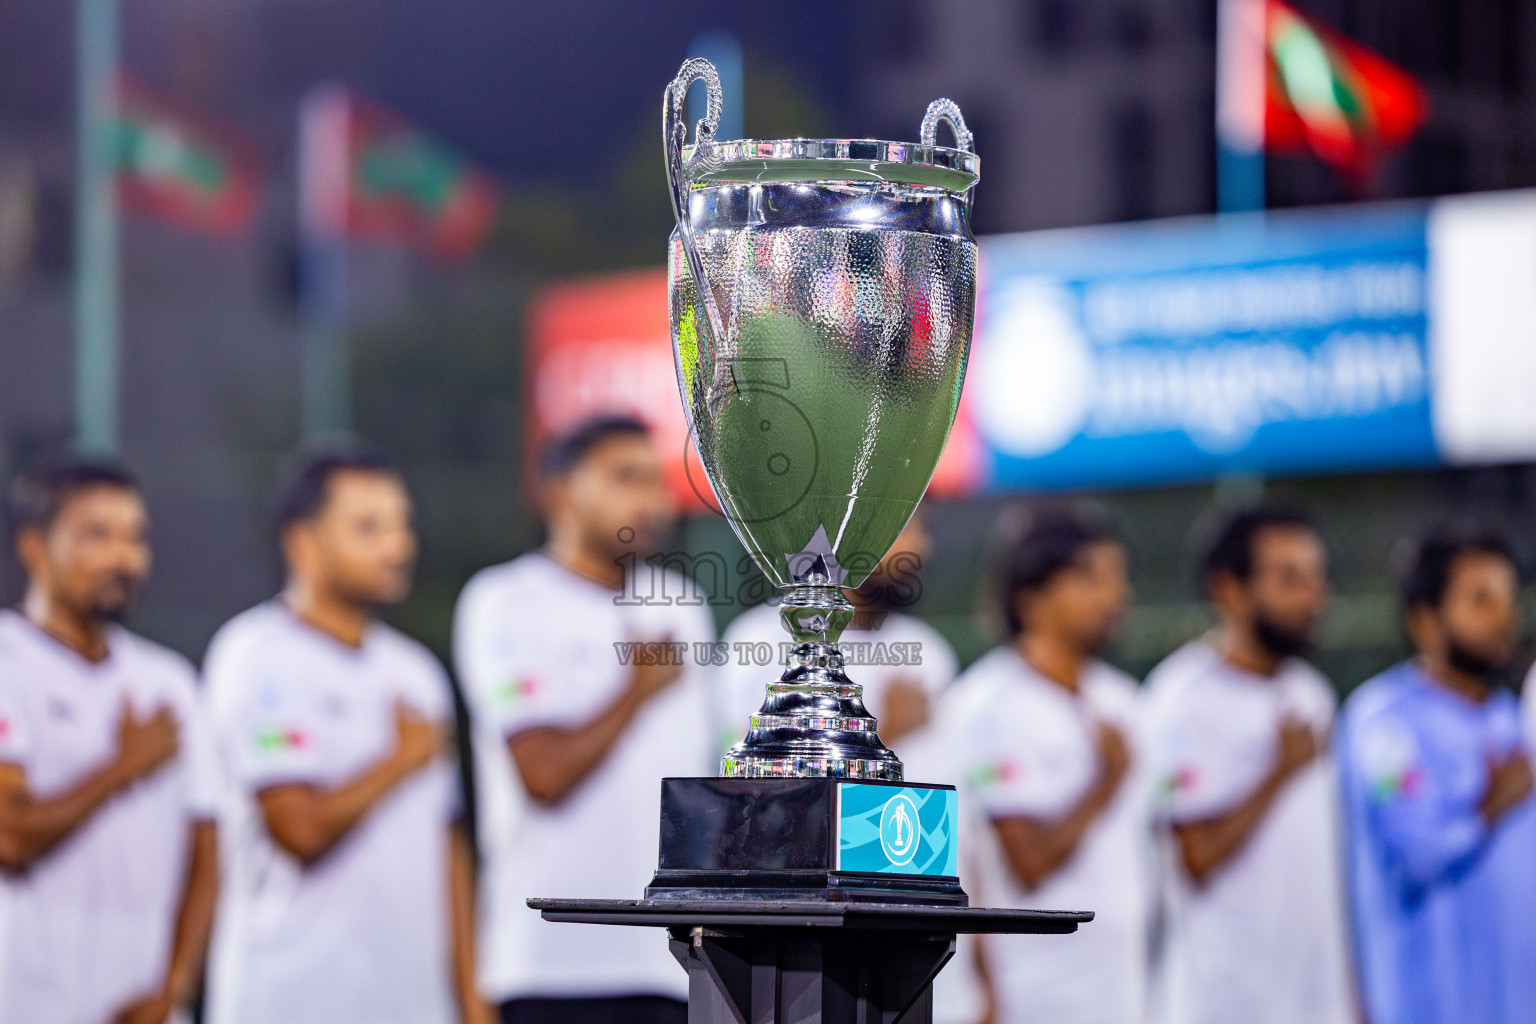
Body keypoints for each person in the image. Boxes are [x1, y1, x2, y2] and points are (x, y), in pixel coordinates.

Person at [203, 446, 487, 1024]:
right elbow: (300, 830)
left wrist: (471, 999)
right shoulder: (255, 654)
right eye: (368, 527)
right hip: (288, 998)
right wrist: (400, 757)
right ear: (302, 543)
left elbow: (447, 849)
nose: (397, 546)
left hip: (413, 1005)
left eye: (402, 525)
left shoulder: (416, 673)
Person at [454, 415, 714, 1024]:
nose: (651, 500)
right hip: (552, 967)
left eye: (655, 480)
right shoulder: (505, 601)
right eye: (625, 478)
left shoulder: (683, 605)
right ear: (561, 491)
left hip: (677, 960)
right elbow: (542, 774)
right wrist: (635, 690)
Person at [716, 507, 981, 1024]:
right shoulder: (759, 640)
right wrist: (887, 731)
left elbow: (959, 832)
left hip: (927, 932)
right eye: (908, 524)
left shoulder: (929, 653)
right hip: (805, 945)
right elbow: (752, 799)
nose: (921, 550)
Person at [0, 458, 219, 1024]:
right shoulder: (9, 662)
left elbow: (206, 850)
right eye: (97, 536)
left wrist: (174, 987)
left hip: (142, 1009)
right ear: (35, 548)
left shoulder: (168, 682)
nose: (123, 558)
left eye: (135, 538)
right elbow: (10, 836)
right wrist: (126, 763)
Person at [937, 509, 1149, 1024]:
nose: (1114, 597)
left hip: (1124, 991)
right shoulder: (987, 706)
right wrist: (1105, 781)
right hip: (1030, 996)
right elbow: (1026, 862)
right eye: (1091, 578)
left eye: (1118, 578)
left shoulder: (1123, 702)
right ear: (1031, 598)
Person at [1144, 503, 1353, 1024]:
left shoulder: (1310, 693)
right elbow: (1196, 858)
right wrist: (1277, 772)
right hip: (1225, 1001)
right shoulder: (1181, 697)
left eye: (1315, 577)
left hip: (1317, 1000)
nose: (1313, 596)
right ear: (1230, 590)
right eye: (1290, 578)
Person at [1340, 526, 1536, 1024]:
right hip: (1429, 1003)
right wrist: (1490, 806)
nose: (1503, 618)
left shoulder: (1511, 717)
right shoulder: (1385, 722)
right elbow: (1416, 851)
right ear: (1425, 620)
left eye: (1508, 599)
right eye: (1480, 600)